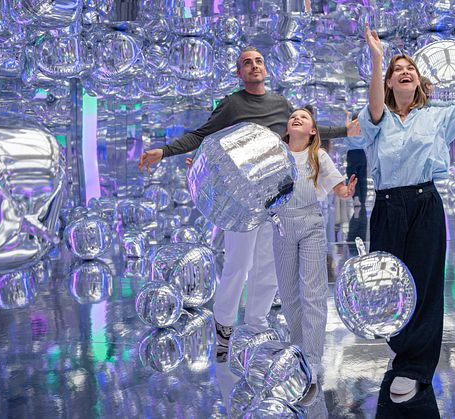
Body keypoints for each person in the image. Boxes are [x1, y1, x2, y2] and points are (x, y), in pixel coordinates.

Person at [138, 47, 360, 359]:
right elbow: (201, 135)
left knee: (268, 267)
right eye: (247, 63)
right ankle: (224, 328)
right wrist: (163, 152)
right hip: (241, 201)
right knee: (237, 264)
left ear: (265, 68)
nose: (254, 66)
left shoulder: (280, 105)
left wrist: (343, 131)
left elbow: (308, 130)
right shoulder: (232, 104)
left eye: (258, 61)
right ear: (240, 74)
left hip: (276, 198)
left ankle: (256, 326)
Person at [347, 25, 455, 403]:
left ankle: (415, 366)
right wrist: (378, 58)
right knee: (392, 283)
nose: (404, 72)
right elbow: (375, 108)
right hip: (389, 206)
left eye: (409, 68)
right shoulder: (378, 120)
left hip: (426, 203)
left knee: (425, 286)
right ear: (390, 83)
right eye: (397, 71)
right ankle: (401, 352)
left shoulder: (437, 116)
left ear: (419, 81)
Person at [274, 107, 357, 405]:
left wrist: (345, 191)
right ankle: (298, 351)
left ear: (312, 131)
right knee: (288, 292)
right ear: (287, 128)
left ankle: (312, 359)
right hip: (281, 224)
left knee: (313, 293)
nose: (297, 118)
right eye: (293, 116)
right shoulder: (275, 155)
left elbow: (336, 186)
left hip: (310, 224)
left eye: (304, 117)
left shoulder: (317, 156)